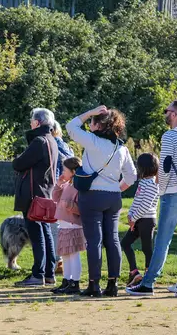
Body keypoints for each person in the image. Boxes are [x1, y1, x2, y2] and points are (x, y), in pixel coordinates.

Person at [127, 100, 177, 298]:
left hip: (173, 192)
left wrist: (160, 189)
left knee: (163, 239)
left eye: (167, 111)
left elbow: (165, 167)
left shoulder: (170, 135)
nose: (165, 113)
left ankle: (148, 284)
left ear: (174, 114)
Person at [67, 106, 137, 297]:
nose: (90, 125)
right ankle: (112, 284)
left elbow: (71, 126)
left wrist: (89, 112)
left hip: (92, 196)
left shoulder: (92, 141)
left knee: (94, 241)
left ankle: (94, 284)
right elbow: (131, 176)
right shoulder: (121, 148)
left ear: (98, 125)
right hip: (113, 197)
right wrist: (116, 188)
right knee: (113, 239)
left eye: (92, 122)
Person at [12, 108, 59, 287]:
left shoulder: (38, 141)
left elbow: (19, 163)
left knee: (37, 234)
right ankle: (49, 273)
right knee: (45, 233)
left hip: (33, 195)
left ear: (37, 122)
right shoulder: (52, 140)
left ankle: (38, 274)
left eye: (32, 120)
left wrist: (18, 159)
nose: (30, 123)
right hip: (46, 192)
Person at [122, 153, 159, 288]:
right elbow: (137, 201)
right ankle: (135, 273)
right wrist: (130, 215)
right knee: (125, 243)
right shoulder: (143, 182)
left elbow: (145, 206)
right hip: (138, 220)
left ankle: (148, 278)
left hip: (147, 220)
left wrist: (134, 218)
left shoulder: (153, 184)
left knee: (146, 248)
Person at [51, 156, 85, 295]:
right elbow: (54, 197)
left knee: (73, 254)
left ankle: (75, 282)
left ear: (73, 171)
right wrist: (58, 184)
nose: (63, 172)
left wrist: (69, 206)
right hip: (64, 225)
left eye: (65, 170)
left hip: (73, 225)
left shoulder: (78, 187)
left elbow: (80, 208)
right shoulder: (66, 185)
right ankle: (66, 280)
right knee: (65, 254)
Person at [51, 115, 73, 274]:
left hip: (57, 188)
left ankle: (56, 261)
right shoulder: (66, 146)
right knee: (62, 226)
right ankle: (63, 260)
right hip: (69, 189)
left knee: (53, 226)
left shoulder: (51, 145)